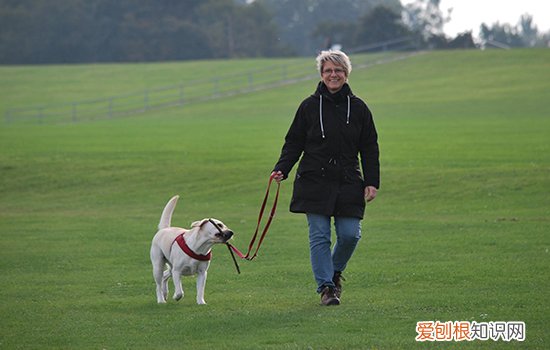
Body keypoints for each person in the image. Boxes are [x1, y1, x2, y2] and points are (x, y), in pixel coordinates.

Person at [271, 50, 380, 306]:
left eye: (338, 70)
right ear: (322, 74)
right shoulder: (308, 106)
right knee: (319, 235)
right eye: (328, 70)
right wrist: (282, 168)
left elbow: (370, 147)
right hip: (314, 180)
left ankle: (334, 272)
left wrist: (371, 181)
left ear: (346, 74)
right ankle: (327, 288)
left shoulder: (360, 108)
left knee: (350, 234)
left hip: (348, 180)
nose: (334, 75)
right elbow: (293, 142)